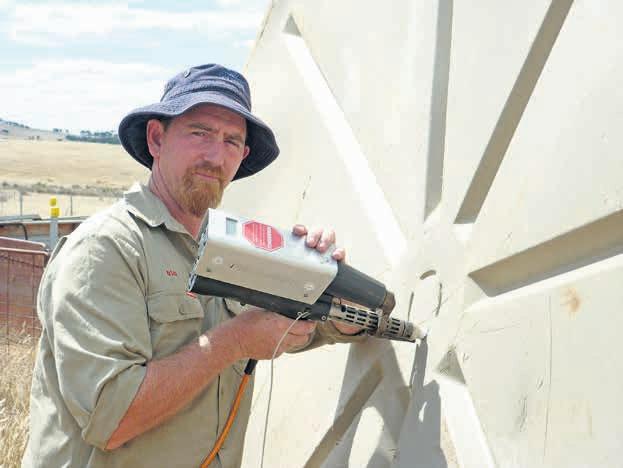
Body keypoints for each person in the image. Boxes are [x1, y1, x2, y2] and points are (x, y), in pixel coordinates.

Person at [22, 64, 365, 468]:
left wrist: (335, 299)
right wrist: (234, 341)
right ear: (156, 138)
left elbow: (287, 328)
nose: (215, 157)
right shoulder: (107, 248)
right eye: (200, 133)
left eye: (232, 141)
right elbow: (111, 417)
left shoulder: (233, 251)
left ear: (243, 156)